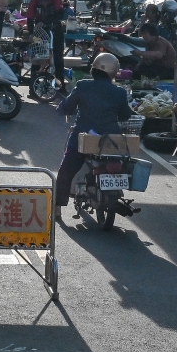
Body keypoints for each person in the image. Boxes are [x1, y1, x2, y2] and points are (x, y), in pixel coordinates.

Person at [53, 52, 133, 225]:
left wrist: (61, 109)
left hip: (84, 140)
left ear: (94, 69)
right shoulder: (119, 92)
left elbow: (66, 106)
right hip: (111, 142)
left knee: (66, 171)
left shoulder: (83, 86)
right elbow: (125, 115)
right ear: (113, 72)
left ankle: (57, 207)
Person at [25, 0, 70, 92]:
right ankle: (33, 87)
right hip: (40, 33)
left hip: (55, 30)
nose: (44, 1)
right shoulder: (34, 1)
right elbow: (30, 19)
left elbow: (59, 14)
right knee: (38, 58)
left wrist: (45, 22)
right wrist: (31, 33)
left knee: (58, 59)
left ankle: (60, 86)